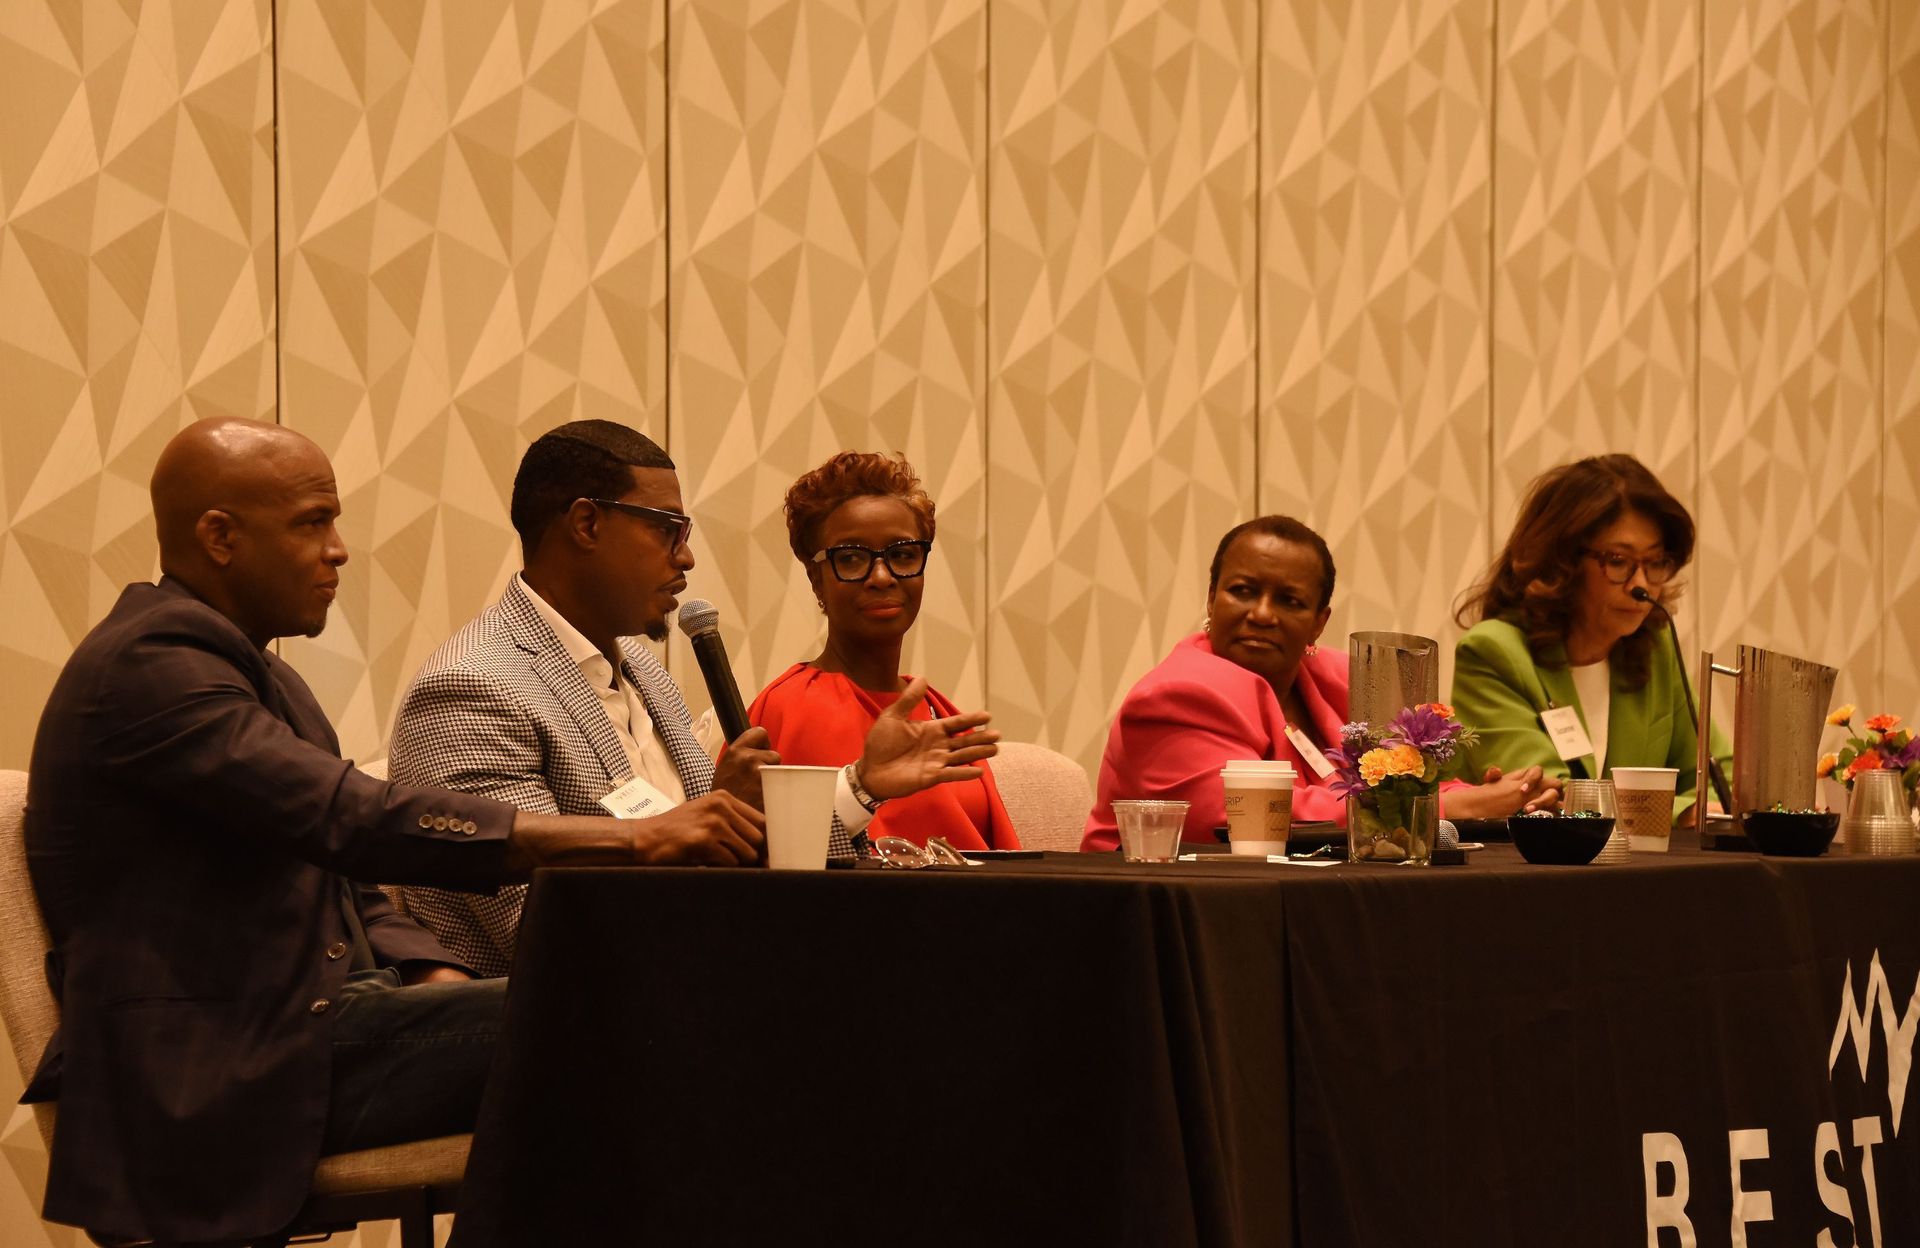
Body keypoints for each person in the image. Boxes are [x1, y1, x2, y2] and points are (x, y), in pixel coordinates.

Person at [21, 419, 767, 1245]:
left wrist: (432, 967)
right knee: (624, 1032)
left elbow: (347, 877)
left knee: (651, 1026)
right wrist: (637, 839)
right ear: (220, 537)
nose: (339, 549)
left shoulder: (265, 677)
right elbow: (353, 816)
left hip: (320, 1027)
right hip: (219, 1067)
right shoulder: (149, 665)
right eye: (313, 523)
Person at [393, 425, 999, 974]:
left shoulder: (645, 678)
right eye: (667, 529)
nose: (686, 557)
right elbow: (546, 933)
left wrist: (861, 786)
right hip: (566, 1042)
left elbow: (725, 868)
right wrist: (708, 821)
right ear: (586, 525)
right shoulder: (475, 688)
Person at [1084, 516, 1555, 849]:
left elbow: (1396, 784)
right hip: (1155, 919)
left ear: (1318, 621)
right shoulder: (1178, 694)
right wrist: (1456, 809)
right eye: (1243, 591)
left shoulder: (1340, 681)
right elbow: (1248, 818)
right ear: (1212, 598)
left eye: (1288, 600)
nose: (1262, 614)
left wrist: (1498, 797)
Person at [748, 452, 1018, 852]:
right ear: (816, 579)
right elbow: (781, 866)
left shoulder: (935, 708)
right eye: (852, 558)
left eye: (902, 555)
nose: (882, 576)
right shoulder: (792, 707)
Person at [1452, 454, 1731, 823]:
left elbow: (1721, 780)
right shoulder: (1493, 653)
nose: (1641, 585)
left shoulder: (1653, 648)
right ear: (1562, 562)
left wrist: (1693, 808)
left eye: (1655, 563)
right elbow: (1545, 798)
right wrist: (1681, 812)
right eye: (1618, 561)